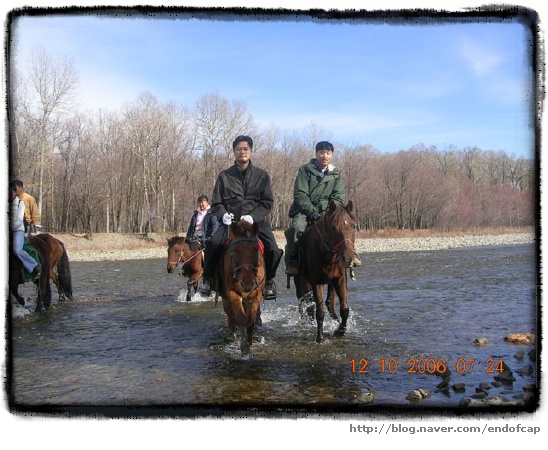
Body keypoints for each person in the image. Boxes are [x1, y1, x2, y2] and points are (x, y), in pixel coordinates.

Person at [198, 135, 283, 300]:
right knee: (213, 243)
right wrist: (223, 215)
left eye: (245, 149)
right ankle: (207, 280)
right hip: (231, 223)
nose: (242, 152)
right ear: (234, 152)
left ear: (251, 151)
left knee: (273, 248)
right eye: (238, 149)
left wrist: (253, 216)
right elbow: (216, 204)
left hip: (255, 223)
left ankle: (270, 281)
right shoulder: (224, 176)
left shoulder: (262, 175)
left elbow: (267, 202)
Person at [285, 141, 362, 275]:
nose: (324, 156)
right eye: (321, 152)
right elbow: (300, 194)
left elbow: (338, 196)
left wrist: (328, 210)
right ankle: (293, 260)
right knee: (297, 228)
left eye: (328, 153)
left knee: (344, 226)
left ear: (331, 155)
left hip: (328, 211)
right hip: (305, 211)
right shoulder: (305, 171)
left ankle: (351, 254)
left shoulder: (335, 175)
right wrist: (310, 211)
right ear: (316, 153)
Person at [10, 180, 41, 278]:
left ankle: (33, 264)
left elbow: (35, 213)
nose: (13, 191)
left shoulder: (28, 198)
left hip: (25, 225)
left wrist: (36, 226)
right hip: (13, 226)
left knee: (19, 248)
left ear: (20, 188)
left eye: (15, 189)